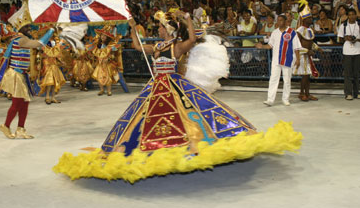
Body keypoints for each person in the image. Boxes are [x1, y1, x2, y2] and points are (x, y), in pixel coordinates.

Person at [53, 11, 302, 183]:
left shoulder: (175, 46)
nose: (157, 29)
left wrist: (188, 20)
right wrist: (131, 29)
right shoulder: (159, 46)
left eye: (160, 26)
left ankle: (189, 146)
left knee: (186, 120)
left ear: (168, 29)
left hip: (174, 87)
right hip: (155, 87)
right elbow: (138, 48)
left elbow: (192, 39)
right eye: (158, 26)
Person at [0, 5, 54, 139]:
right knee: (16, 103)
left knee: (24, 102)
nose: (29, 29)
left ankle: (20, 129)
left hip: (21, 74)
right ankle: (5, 126)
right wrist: (50, 31)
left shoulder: (19, 39)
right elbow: (38, 44)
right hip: (16, 74)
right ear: (21, 28)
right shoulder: (21, 39)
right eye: (27, 27)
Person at [256, 14, 302, 106]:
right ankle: (270, 99)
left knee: (287, 80)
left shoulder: (292, 32)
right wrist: (262, 46)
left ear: (285, 21)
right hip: (276, 60)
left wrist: (298, 59)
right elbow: (270, 45)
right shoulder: (275, 32)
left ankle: (285, 99)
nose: (279, 22)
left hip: (287, 59)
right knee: (273, 79)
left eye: (281, 20)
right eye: (278, 20)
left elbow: (297, 47)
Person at [294, 0, 322, 101]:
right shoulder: (300, 30)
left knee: (307, 76)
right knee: (305, 76)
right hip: (302, 55)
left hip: (308, 55)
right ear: (305, 19)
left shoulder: (310, 30)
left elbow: (310, 42)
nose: (311, 19)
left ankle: (307, 93)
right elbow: (296, 45)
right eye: (309, 18)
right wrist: (306, 51)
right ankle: (302, 93)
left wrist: (317, 48)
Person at [91, 25, 121, 96]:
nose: (103, 37)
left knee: (108, 77)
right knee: (99, 77)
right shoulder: (98, 45)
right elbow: (95, 54)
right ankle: (101, 90)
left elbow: (113, 55)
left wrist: (109, 58)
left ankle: (109, 91)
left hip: (107, 64)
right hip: (100, 64)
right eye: (102, 35)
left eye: (104, 36)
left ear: (107, 37)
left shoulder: (110, 46)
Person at [337, 8, 360, 100]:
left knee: (356, 73)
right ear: (347, 16)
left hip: (358, 50)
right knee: (348, 73)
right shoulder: (344, 25)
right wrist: (346, 38)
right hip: (347, 51)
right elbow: (339, 38)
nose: (351, 16)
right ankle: (348, 93)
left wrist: (356, 39)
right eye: (349, 15)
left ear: (356, 16)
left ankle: (356, 92)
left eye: (353, 14)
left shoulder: (358, 25)